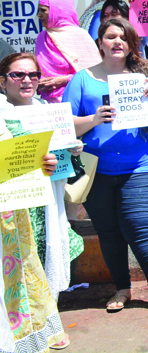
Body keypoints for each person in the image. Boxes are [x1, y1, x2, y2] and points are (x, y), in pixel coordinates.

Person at [62, 18, 148, 322]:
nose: (117, 42)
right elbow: (66, 123)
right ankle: (122, 289)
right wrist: (93, 119)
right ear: (100, 42)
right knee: (109, 232)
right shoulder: (81, 80)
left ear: (131, 43)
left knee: (138, 226)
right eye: (110, 36)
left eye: (123, 37)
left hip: (141, 168)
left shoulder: (143, 78)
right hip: (97, 171)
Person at [0, 53, 85, 299]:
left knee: (46, 260)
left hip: (47, 201)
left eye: (33, 75)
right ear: (3, 82)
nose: (27, 80)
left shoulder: (47, 111)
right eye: (18, 75)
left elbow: (65, 162)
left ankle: (47, 323)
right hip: (14, 206)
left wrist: (72, 150)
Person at [0, 117, 69, 351]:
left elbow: (16, 158)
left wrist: (42, 165)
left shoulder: (2, 113)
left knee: (14, 283)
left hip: (9, 221)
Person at [35, 0, 102, 103]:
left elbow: (94, 73)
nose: (39, 15)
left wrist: (64, 80)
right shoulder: (42, 38)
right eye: (39, 10)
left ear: (56, 11)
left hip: (78, 100)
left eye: (43, 10)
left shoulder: (79, 36)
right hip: (48, 102)